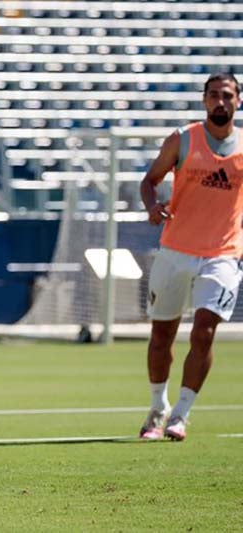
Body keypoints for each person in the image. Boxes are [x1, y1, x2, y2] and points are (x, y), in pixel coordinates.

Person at [138, 72, 243, 441]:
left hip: (223, 255)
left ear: (238, 101)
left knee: (204, 332)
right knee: (161, 335)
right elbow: (149, 180)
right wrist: (153, 207)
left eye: (227, 95)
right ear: (204, 100)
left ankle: (181, 414)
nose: (220, 102)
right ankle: (156, 407)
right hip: (176, 251)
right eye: (214, 95)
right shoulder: (183, 140)